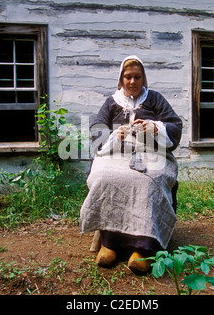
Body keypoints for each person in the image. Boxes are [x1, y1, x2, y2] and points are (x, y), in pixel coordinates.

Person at [80, 55, 182, 274]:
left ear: (143, 78)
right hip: (116, 153)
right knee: (107, 178)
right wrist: (117, 134)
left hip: (152, 153)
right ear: (121, 79)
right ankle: (110, 244)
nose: (133, 81)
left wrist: (155, 127)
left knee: (149, 181)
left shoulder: (155, 99)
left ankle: (144, 249)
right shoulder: (111, 102)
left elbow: (174, 125)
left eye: (137, 77)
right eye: (128, 77)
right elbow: (97, 131)